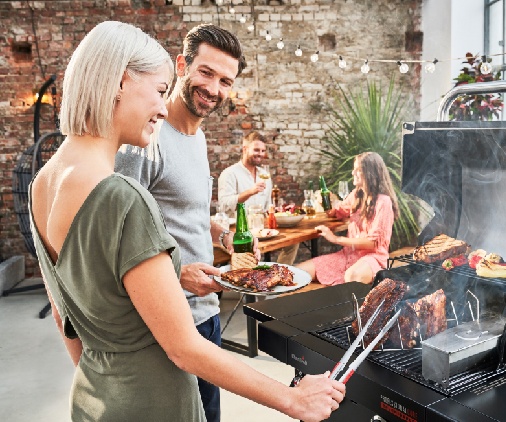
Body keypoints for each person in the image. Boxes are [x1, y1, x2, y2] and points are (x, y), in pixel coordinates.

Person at [30, 20, 345, 422]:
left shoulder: (44, 182)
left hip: (96, 395)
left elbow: (63, 312)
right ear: (119, 83)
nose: (162, 108)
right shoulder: (122, 194)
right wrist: (293, 399)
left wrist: (103, 373)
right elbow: (183, 347)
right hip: (158, 399)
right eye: (160, 92)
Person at [114, 24, 256, 421]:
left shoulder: (198, 136)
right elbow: (117, 237)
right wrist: (178, 272)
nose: (214, 88)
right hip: (167, 324)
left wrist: (225, 233)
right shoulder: (145, 140)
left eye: (225, 80)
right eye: (206, 72)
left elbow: (185, 212)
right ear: (182, 64)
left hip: (207, 313)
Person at [297, 152, 399, 285]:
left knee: (352, 277)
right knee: (298, 272)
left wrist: (335, 239)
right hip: (347, 256)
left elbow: (372, 243)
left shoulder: (383, 202)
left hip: (372, 259)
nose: (353, 173)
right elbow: (338, 211)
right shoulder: (357, 194)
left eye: (358, 170)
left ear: (370, 173)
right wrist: (326, 202)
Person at [218, 131, 299, 265]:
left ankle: (277, 274)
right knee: (249, 255)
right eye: (256, 150)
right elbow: (224, 205)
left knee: (293, 242)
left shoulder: (264, 174)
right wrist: (250, 192)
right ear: (245, 149)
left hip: (260, 229)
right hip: (238, 233)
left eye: (262, 150)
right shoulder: (229, 174)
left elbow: (268, 206)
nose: (260, 154)